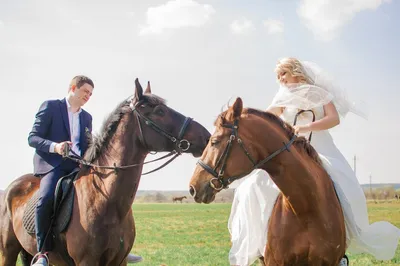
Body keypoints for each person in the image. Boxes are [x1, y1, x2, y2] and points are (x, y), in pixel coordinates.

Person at [227, 58, 400, 266]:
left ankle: (341, 240)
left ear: (296, 71)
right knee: (252, 186)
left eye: (283, 74)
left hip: (320, 147)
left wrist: (306, 128)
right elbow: (268, 118)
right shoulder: (282, 96)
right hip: (289, 153)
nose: (280, 79)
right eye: (278, 76)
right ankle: (257, 242)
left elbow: (333, 119)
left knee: (346, 183)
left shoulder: (319, 93)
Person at [28, 75, 143, 265]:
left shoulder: (86, 117)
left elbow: (88, 146)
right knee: (46, 198)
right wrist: (55, 147)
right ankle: (42, 253)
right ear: (73, 88)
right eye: (85, 91)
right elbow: (33, 138)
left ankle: (119, 247)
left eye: (90, 93)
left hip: (79, 165)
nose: (88, 96)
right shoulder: (50, 107)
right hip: (54, 165)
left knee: (110, 195)